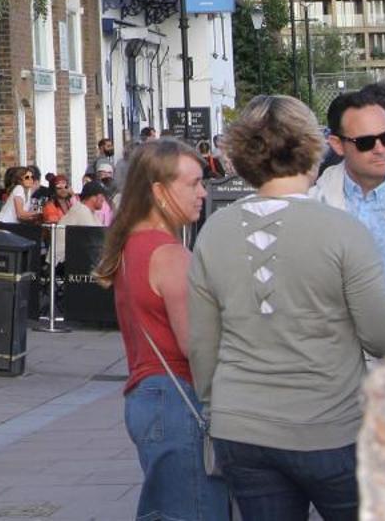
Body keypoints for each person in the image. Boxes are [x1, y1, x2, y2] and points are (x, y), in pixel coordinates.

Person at [189, 95, 385, 520]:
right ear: (314, 146)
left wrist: (216, 402)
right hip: (330, 424)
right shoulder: (342, 231)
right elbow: (382, 336)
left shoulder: (214, 231)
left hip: (243, 428)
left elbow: (202, 344)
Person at [97, 138, 231, 521]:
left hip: (148, 394)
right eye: (193, 183)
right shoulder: (169, 254)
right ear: (158, 191)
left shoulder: (131, 246)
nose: (203, 192)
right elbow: (197, 344)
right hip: (178, 397)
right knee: (195, 510)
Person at [314, 87, 385, 330]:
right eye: (365, 142)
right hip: (338, 356)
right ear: (337, 145)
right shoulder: (315, 203)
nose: (380, 148)